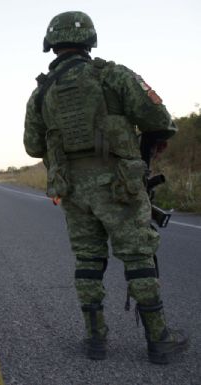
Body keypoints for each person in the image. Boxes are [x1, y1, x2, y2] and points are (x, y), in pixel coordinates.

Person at [23, 11, 188, 364]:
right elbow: (159, 121)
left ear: (52, 44)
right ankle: (159, 340)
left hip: (72, 189)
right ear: (89, 41)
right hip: (119, 185)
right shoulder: (112, 74)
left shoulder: (41, 92)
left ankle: (95, 339)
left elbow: (33, 146)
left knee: (87, 259)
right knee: (138, 257)